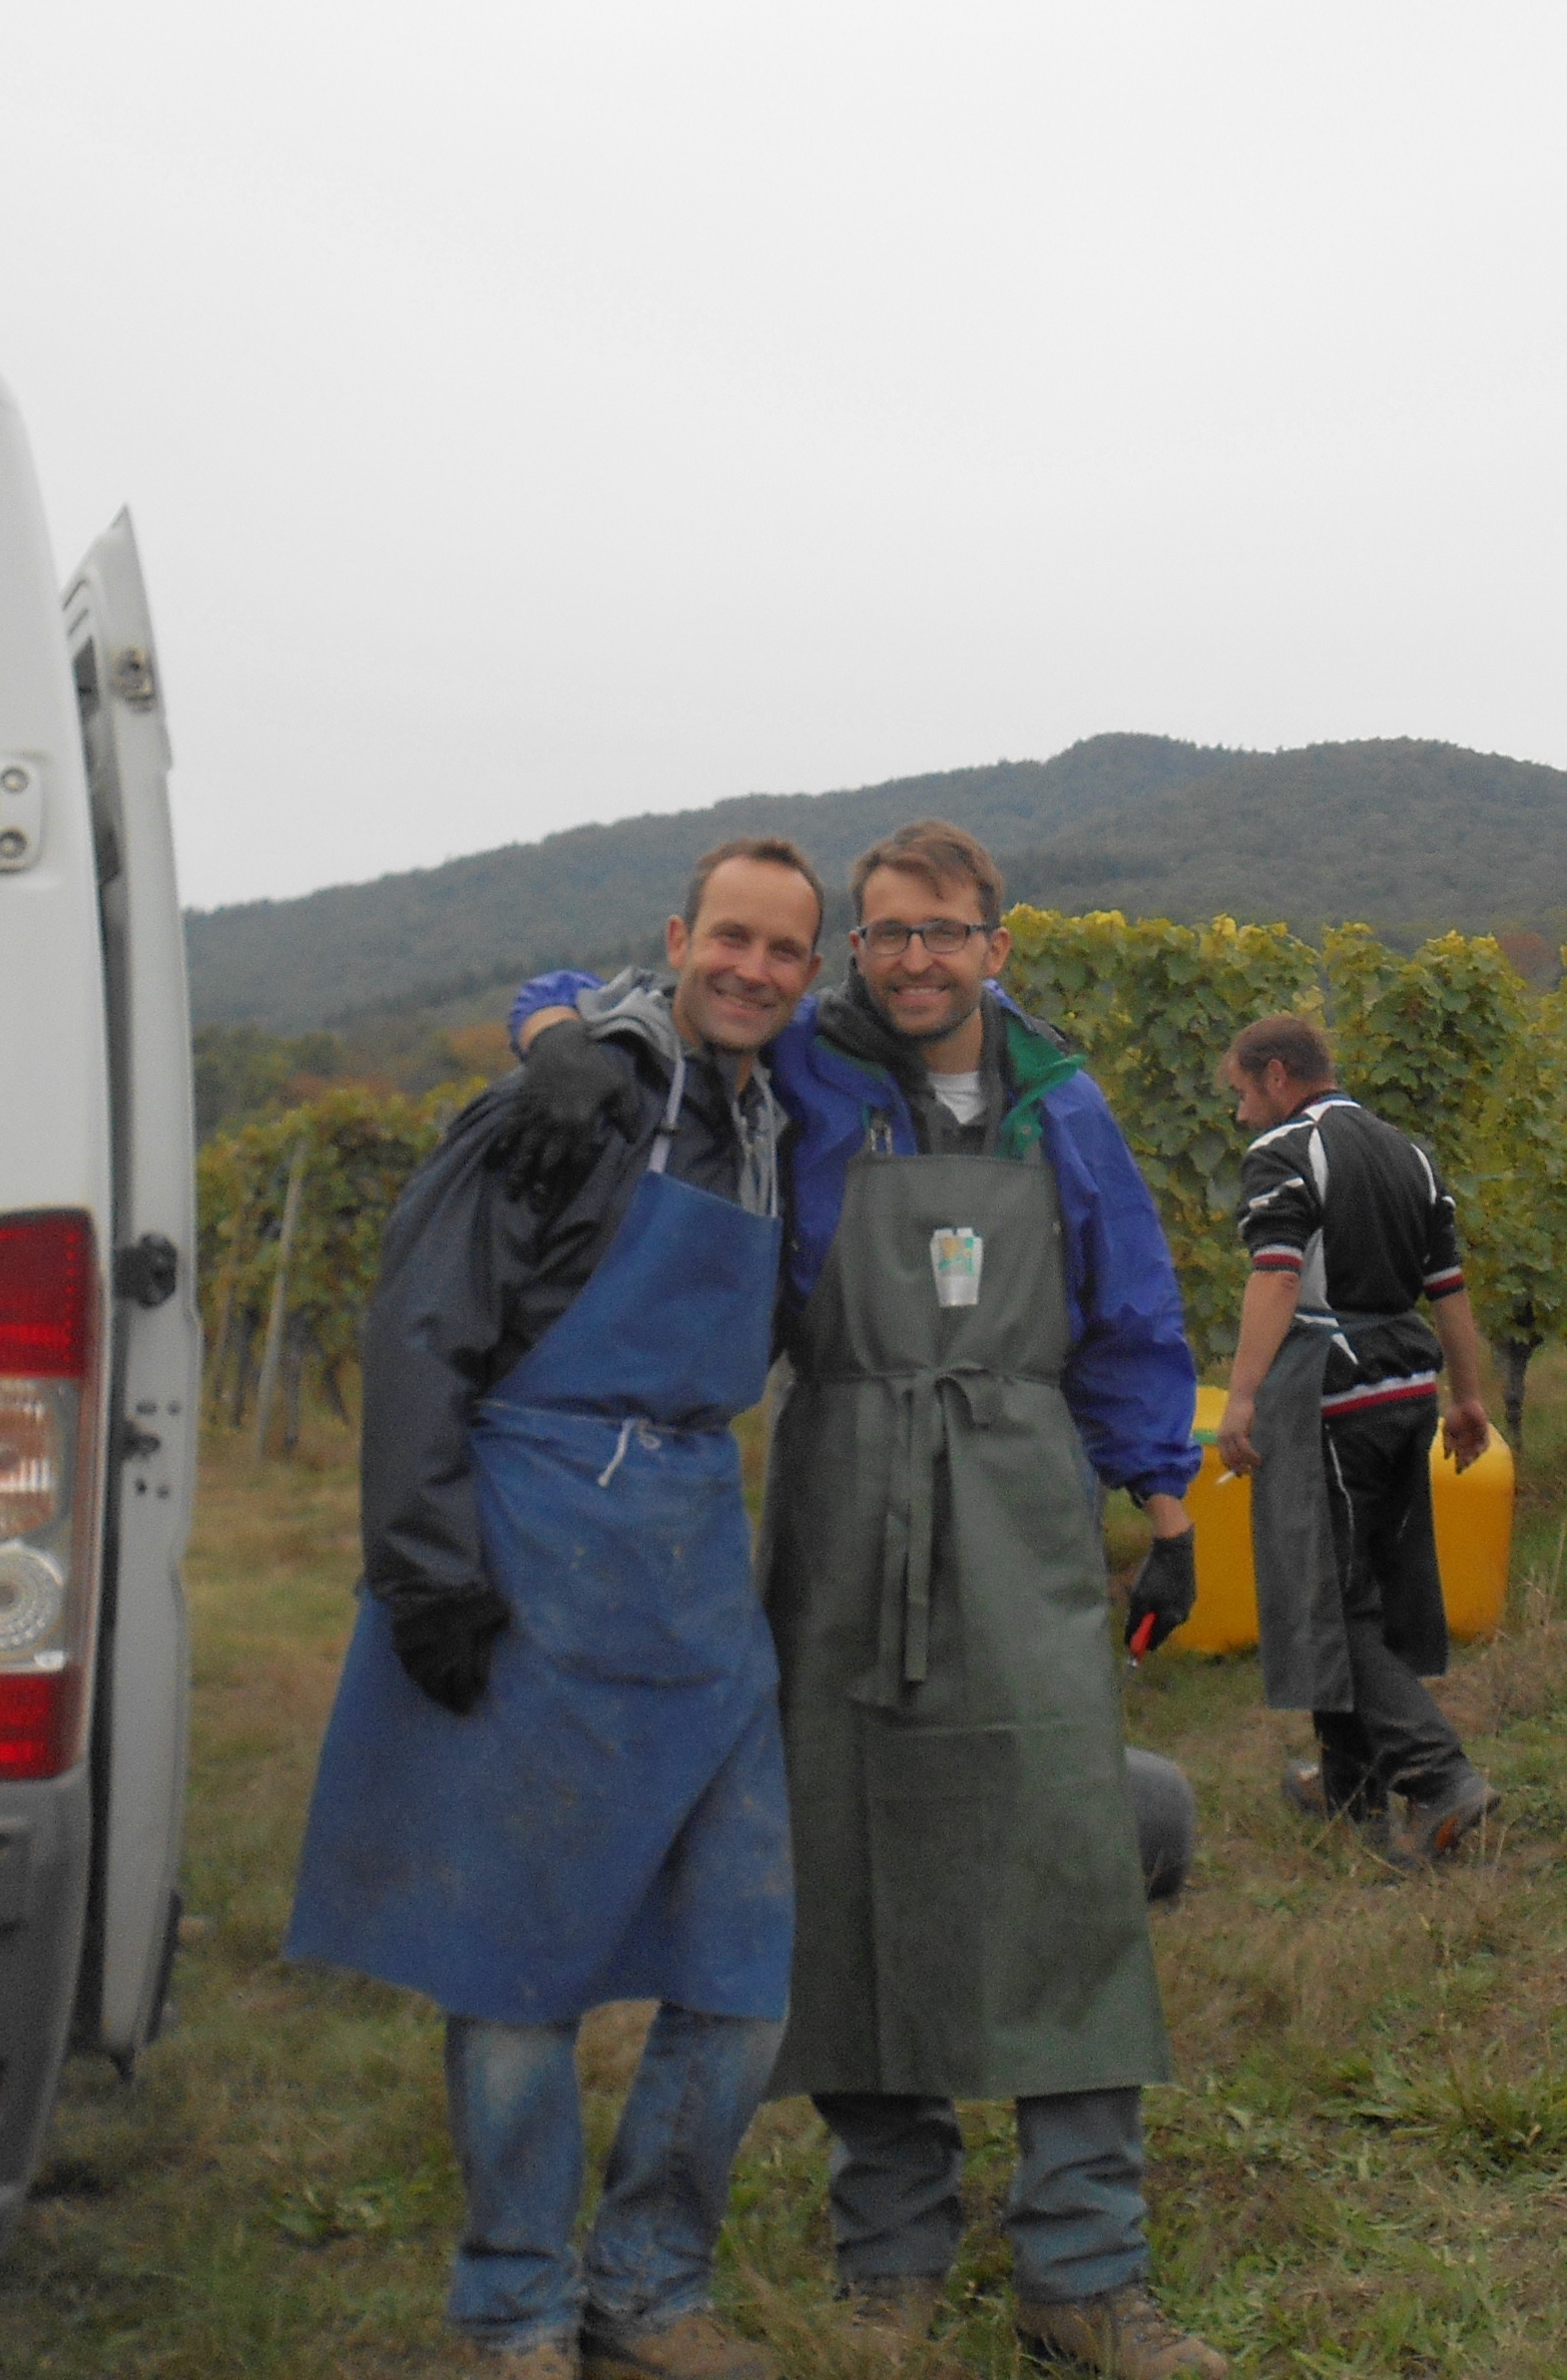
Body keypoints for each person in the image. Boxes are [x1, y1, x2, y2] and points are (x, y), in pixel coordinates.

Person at [507, 819, 1225, 2380]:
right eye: (887, 932)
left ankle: (1084, 2270)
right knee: (849, 1869)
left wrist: (1164, 1502)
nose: (914, 958)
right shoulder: (803, 1071)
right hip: (838, 1496)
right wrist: (552, 1028)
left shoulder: (1064, 1106)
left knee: (1066, 1863)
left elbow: (1131, 1308)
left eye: (943, 931)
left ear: (995, 946)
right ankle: (885, 2259)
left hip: (1024, 1503)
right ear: (857, 952)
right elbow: (617, 987)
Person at [283, 839, 828, 2380]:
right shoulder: (571, 1104)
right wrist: (427, 1568)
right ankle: (513, 2310)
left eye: (788, 951)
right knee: (511, 1958)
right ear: (677, 938)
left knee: (742, 1959)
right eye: (732, 937)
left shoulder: (779, 1115)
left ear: (810, 973)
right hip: (533, 1540)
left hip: (691, 1559)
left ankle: (650, 2287)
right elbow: (423, 1326)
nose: (754, 970)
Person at [1209, 1016, 1500, 1864]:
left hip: (1330, 1392)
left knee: (1330, 1603)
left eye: (1239, 1094)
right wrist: (1468, 1396)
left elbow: (1278, 1274)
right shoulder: (1410, 1152)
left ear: (1274, 1074)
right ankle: (1352, 1790)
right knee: (1358, 1584)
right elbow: (1447, 1287)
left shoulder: (1284, 1153)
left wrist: (1242, 1397)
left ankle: (1440, 1777)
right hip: (1407, 1390)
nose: (1238, 1116)